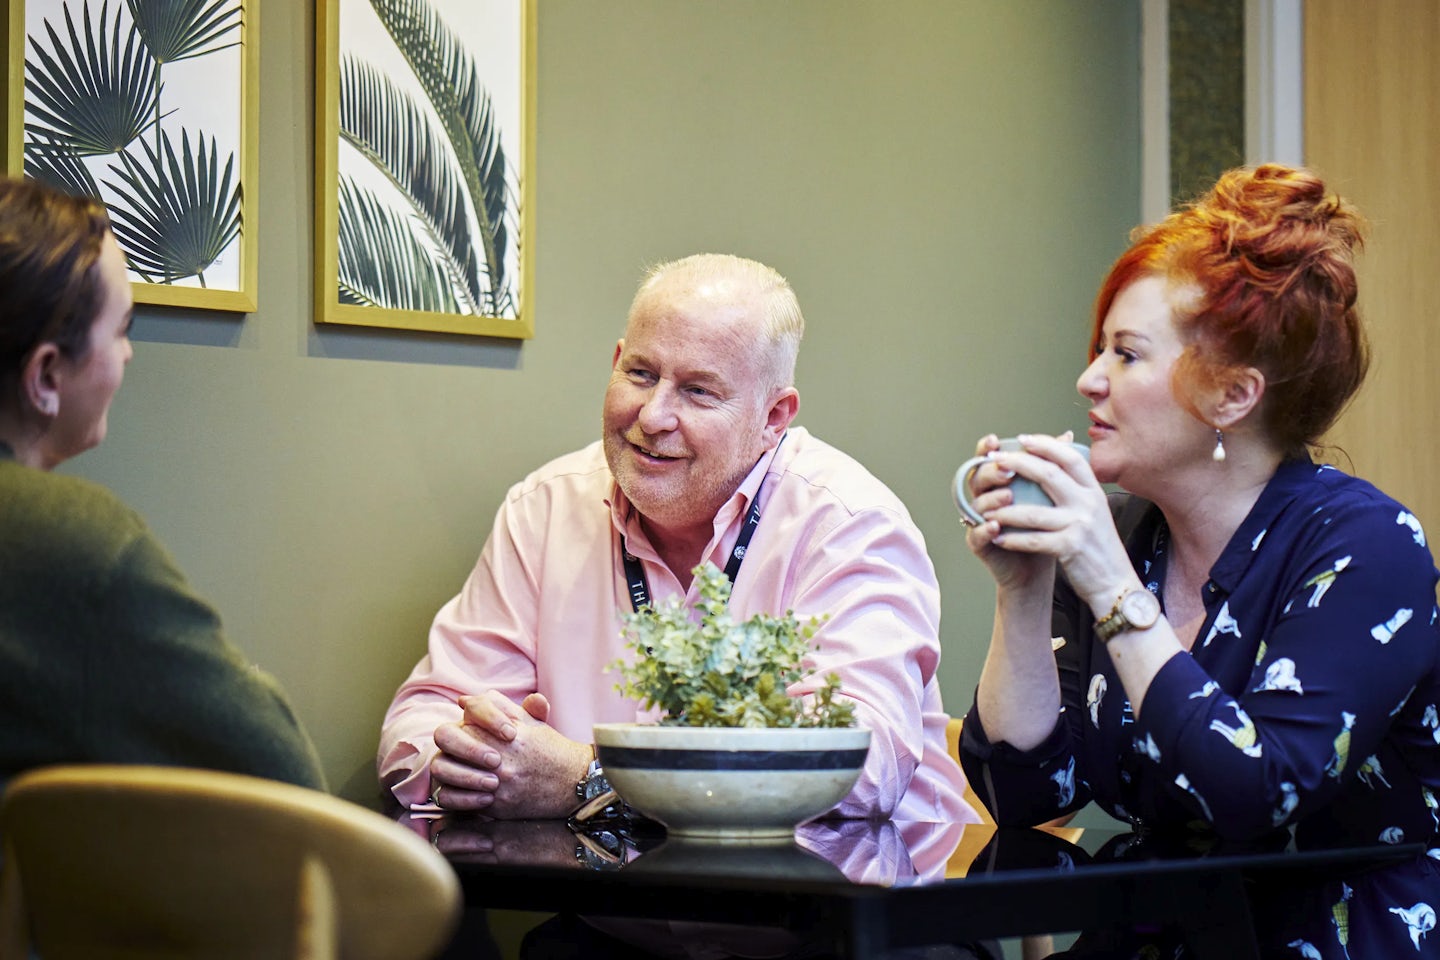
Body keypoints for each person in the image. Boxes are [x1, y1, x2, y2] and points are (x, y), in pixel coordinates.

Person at [956, 163, 1440, 957]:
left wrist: (1106, 580)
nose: (1088, 379)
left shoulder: (1365, 546)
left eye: (1126, 355)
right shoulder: (1129, 537)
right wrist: (1025, 590)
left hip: (1330, 935)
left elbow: (1259, 790)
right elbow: (1025, 793)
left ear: (1231, 397)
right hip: (1155, 931)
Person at [379, 252, 973, 824]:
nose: (652, 415)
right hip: (616, 911)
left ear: (774, 418)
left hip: (844, 910)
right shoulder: (546, 507)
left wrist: (589, 780)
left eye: (698, 391)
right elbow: (422, 720)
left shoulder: (849, 524)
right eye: (640, 374)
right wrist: (483, 759)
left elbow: (858, 771)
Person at [0, 177, 324, 792]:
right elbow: (282, 768)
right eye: (121, 330)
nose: (128, 356)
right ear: (45, 375)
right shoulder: (76, 546)